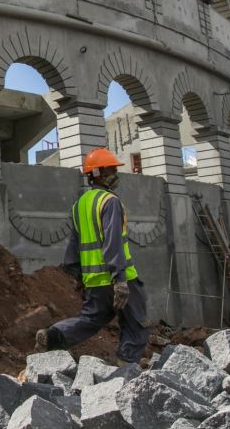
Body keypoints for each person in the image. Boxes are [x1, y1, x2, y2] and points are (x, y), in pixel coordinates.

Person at [35, 148, 148, 365]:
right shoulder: (110, 202)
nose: (115, 174)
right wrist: (120, 280)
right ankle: (127, 365)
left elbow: (73, 247)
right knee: (136, 321)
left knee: (90, 320)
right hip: (120, 278)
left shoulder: (80, 205)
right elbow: (112, 241)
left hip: (94, 281)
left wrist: (77, 276)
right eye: (111, 169)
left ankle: (54, 336)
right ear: (97, 173)